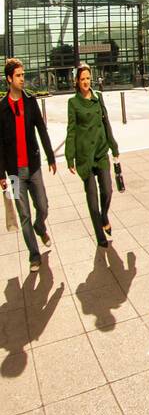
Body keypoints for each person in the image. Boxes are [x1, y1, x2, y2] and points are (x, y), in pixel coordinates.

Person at [0, 59, 57, 273]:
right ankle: (34, 255)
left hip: (33, 167)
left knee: (42, 206)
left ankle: (40, 226)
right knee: (24, 215)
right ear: (9, 79)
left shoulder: (30, 102)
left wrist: (50, 156)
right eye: (18, 75)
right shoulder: (2, 108)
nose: (22, 78)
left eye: (23, 75)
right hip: (13, 173)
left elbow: (42, 130)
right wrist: (1, 174)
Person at [65, 63, 120, 248]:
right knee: (92, 200)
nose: (86, 82)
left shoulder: (98, 97)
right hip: (84, 157)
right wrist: (69, 156)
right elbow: (71, 130)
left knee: (107, 190)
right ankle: (100, 235)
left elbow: (106, 124)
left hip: (101, 152)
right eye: (82, 79)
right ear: (77, 82)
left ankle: (104, 216)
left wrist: (114, 147)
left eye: (88, 78)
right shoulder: (73, 103)